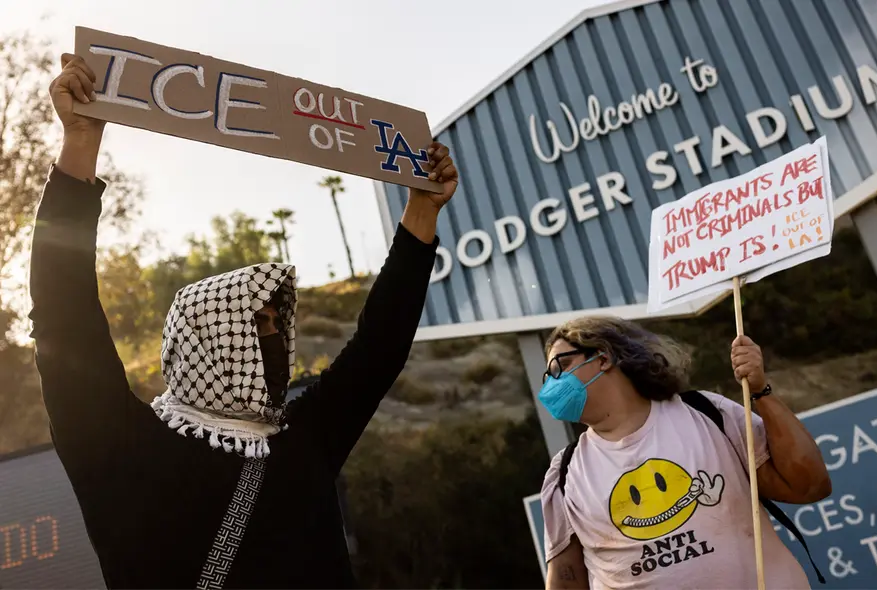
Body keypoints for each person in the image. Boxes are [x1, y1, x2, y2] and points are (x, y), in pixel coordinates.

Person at [29, 53, 458, 589]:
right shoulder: (121, 447)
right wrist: (81, 143)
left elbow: (379, 346)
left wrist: (421, 214)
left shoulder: (304, 439)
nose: (278, 342)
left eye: (280, 325)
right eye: (259, 326)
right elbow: (61, 316)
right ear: (208, 341)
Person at [538, 316, 832, 589]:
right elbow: (566, 579)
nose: (551, 385)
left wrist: (759, 389)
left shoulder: (707, 412)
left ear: (603, 358)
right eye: (547, 377)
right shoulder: (564, 473)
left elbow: (808, 486)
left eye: (558, 368)